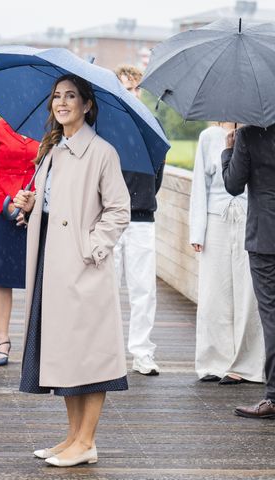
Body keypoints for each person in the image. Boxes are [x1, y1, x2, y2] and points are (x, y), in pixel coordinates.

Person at [13, 74, 130, 467]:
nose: (61, 102)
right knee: (67, 354)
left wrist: (91, 248)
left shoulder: (102, 153)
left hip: (83, 267)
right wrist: (29, 204)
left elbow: (119, 210)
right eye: (57, 97)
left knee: (90, 356)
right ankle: (74, 438)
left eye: (71, 96)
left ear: (87, 105)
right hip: (53, 263)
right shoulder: (53, 151)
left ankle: (87, 440)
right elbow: (53, 207)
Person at [189, 123, 265, 385]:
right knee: (213, 292)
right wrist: (197, 231)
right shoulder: (208, 137)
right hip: (216, 219)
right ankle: (213, 361)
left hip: (249, 216)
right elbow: (200, 183)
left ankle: (247, 365)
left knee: (249, 295)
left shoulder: (256, 134)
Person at [114, 64, 165, 376]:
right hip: (108, 218)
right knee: (105, 289)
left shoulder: (152, 124)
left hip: (142, 217)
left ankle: (142, 352)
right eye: (126, 89)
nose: (132, 94)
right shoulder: (103, 126)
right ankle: (105, 351)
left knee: (143, 290)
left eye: (135, 89)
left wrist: (143, 197)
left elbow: (158, 171)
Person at [222, 124, 275, 418]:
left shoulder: (249, 133)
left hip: (265, 239)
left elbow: (233, 184)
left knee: (271, 316)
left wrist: (228, 150)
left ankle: (274, 397)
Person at [0, 119, 39, 366]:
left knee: (37, 276)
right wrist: (8, 205)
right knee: (2, 276)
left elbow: (49, 169)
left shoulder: (45, 130)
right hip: (0, 209)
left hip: (36, 209)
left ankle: (35, 343)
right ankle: (3, 340)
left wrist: (31, 203)